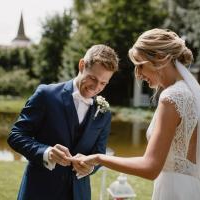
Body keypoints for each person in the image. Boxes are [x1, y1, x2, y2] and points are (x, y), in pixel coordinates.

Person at [70, 29, 200, 200]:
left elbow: (150, 167)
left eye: (140, 65)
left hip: (175, 192)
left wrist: (99, 158)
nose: (138, 74)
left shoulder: (171, 98)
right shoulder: (188, 91)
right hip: (192, 188)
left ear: (160, 58)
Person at [7, 44, 119, 200]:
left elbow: (99, 154)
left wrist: (90, 166)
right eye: (93, 78)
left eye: (103, 83)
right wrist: (47, 152)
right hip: (39, 191)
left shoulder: (104, 113)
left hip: (79, 194)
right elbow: (16, 135)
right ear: (81, 65)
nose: (96, 87)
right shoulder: (46, 95)